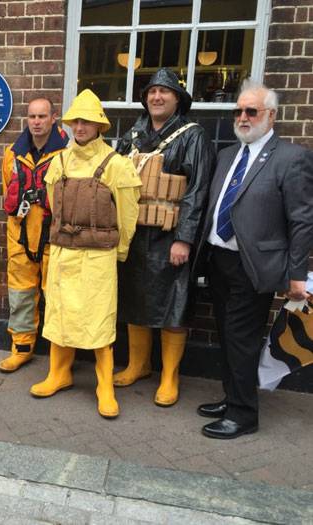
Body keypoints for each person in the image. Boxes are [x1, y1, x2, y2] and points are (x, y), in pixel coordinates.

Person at [195, 80, 313, 439]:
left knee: (243, 339)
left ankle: (244, 414)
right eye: (238, 111)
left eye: (251, 111)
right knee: (228, 335)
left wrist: (297, 274)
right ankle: (233, 397)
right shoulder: (229, 155)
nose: (243, 118)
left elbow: (302, 219)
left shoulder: (291, 158)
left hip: (254, 266)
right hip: (219, 260)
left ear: (271, 115)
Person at [30, 89, 141, 419]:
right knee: (60, 313)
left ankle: (103, 385)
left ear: (99, 125)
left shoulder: (116, 165)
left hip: (98, 256)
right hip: (65, 250)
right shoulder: (59, 161)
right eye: (76, 120)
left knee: (99, 320)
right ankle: (58, 373)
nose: (81, 127)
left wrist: (119, 251)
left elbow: (128, 213)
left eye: (88, 121)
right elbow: (53, 202)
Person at [113, 68, 215, 407]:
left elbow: (197, 191)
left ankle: (170, 375)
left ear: (177, 98)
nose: (157, 97)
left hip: (169, 236)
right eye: (152, 92)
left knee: (174, 304)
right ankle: (138, 364)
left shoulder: (192, 136)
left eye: (164, 92)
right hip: (135, 232)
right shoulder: (132, 135)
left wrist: (184, 239)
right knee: (134, 299)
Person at [0, 97, 68, 372]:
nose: (37, 122)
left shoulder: (67, 153)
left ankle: (60, 358)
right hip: (21, 236)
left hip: (55, 236)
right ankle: (21, 347)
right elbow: (8, 194)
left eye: (42, 116)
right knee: (21, 294)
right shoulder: (12, 154)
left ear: (54, 118)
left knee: (56, 296)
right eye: (32, 117)